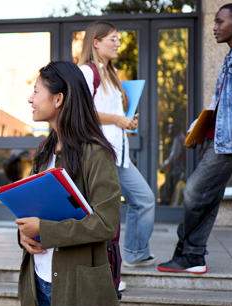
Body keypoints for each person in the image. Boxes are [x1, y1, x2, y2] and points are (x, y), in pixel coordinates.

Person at [17, 61, 122, 306]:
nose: (30, 99)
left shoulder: (95, 152)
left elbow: (106, 223)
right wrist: (25, 234)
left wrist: (45, 230)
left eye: (36, 91)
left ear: (59, 98)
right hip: (39, 282)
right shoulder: (43, 151)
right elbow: (33, 211)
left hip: (79, 289)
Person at [158, 3, 232, 273]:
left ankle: (188, 251)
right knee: (208, 198)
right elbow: (218, 101)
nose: (215, 26)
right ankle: (192, 255)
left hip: (231, 142)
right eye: (215, 21)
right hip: (215, 137)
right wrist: (198, 127)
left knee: (193, 192)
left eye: (220, 21)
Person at [77, 21, 157, 268]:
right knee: (103, 214)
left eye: (119, 40)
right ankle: (107, 272)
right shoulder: (87, 72)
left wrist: (127, 122)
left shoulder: (110, 73)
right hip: (99, 154)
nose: (118, 44)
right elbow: (81, 112)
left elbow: (111, 115)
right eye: (113, 39)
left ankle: (135, 252)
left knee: (143, 199)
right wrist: (118, 119)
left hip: (117, 154)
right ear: (96, 42)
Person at [159, 122, 186, 205]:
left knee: (166, 188)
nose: (169, 131)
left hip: (178, 170)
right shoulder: (182, 138)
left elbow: (173, 157)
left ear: (176, 129)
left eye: (171, 129)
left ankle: (166, 204)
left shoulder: (178, 140)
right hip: (180, 169)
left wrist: (163, 168)